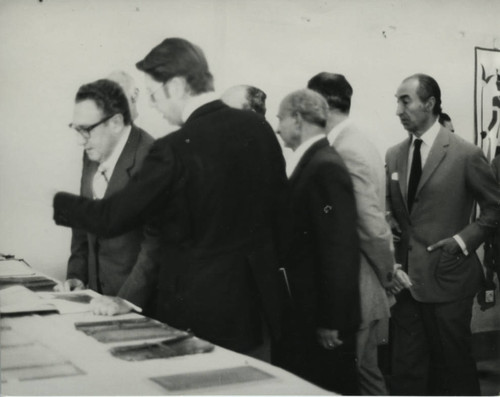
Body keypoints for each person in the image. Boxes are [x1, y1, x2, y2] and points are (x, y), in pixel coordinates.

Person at [53, 37, 289, 358]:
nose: (153, 107)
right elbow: (280, 216)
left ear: (176, 87)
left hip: (200, 317)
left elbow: (152, 233)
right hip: (261, 311)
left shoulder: (172, 148)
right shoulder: (258, 128)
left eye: (153, 95)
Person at [386, 73, 500, 395]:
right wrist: (390, 219)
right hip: (407, 282)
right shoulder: (394, 154)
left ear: (430, 103)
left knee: (453, 370)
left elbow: (494, 208)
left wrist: (462, 242)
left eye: (404, 100)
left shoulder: (465, 154)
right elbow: (396, 206)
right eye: (397, 101)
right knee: (407, 370)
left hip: (449, 279)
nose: (398, 110)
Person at [307, 72, 412, 395]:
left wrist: (387, 271)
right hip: (362, 283)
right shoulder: (352, 141)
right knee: (365, 374)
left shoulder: (346, 148)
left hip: (358, 286)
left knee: (355, 378)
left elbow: (368, 224)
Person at [273, 88, 360, 394]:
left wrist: (331, 320)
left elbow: (339, 249)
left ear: (297, 119)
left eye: (280, 118)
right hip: (307, 312)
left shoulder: (324, 166)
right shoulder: (313, 161)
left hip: (321, 319)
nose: (277, 125)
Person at [58, 78, 158, 312]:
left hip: (141, 306)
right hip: (96, 299)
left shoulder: (152, 158)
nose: (79, 140)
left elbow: (157, 245)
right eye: (76, 129)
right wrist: (77, 275)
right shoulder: (92, 149)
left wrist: (127, 300)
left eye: (86, 130)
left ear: (115, 123)